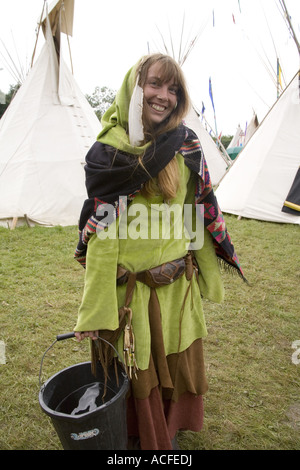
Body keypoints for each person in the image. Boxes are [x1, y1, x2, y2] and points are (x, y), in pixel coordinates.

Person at [73, 53, 246, 450]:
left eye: (173, 89)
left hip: (177, 289)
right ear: (135, 88)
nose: (163, 96)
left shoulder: (185, 144)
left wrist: (208, 274)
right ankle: (140, 434)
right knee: (139, 366)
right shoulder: (109, 154)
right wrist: (95, 309)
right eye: (154, 84)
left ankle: (170, 427)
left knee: (176, 354)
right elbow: (102, 237)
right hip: (134, 296)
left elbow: (196, 213)